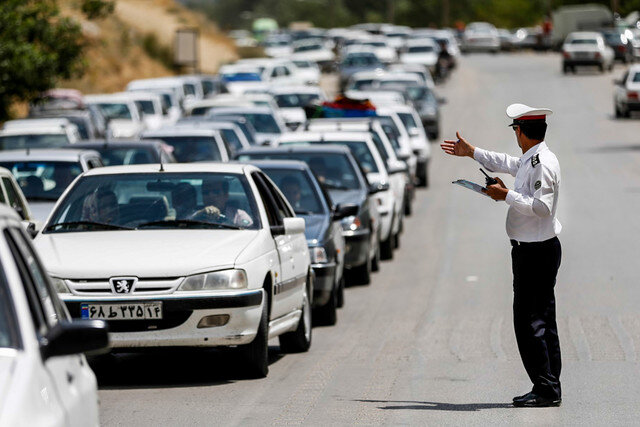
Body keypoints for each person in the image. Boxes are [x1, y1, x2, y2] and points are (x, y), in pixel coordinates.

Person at [440, 103, 563, 408]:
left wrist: (504, 195)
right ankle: (549, 384)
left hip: (535, 252)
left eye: (516, 131)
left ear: (522, 132)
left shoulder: (542, 163)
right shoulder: (532, 158)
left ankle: (546, 388)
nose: (516, 137)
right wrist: (473, 152)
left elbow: (542, 207)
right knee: (544, 319)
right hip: (535, 249)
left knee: (529, 321)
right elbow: (507, 163)